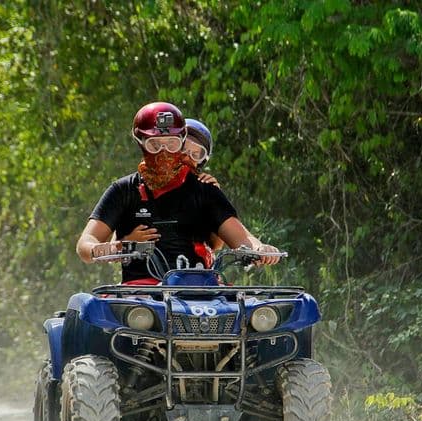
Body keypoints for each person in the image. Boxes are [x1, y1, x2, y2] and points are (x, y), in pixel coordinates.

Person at [76, 102, 279, 284]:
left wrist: (259, 248)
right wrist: (115, 247)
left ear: (181, 141)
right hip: (139, 297)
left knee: (256, 317)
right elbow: (85, 244)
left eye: (171, 143)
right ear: (141, 143)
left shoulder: (206, 190)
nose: (164, 152)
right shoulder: (122, 190)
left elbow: (241, 237)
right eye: (155, 144)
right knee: (89, 310)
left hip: (201, 292)